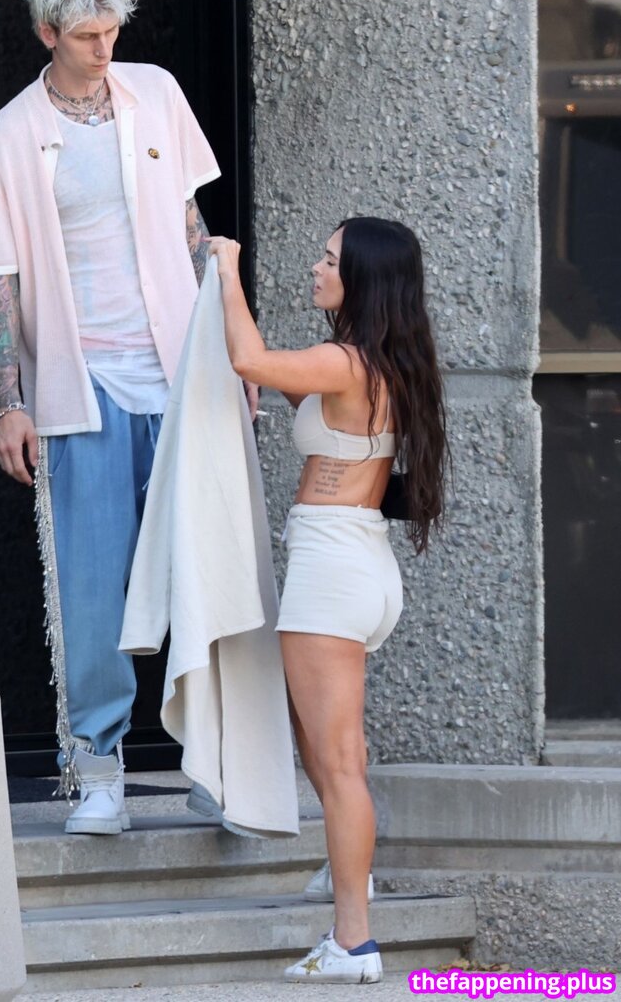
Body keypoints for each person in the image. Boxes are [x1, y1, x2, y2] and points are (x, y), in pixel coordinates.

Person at [0, 0, 229, 835]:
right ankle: (97, 768)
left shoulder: (157, 93)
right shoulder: (9, 134)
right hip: (84, 386)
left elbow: (194, 231)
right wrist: (10, 402)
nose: (104, 48)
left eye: (111, 31)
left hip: (180, 377)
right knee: (93, 590)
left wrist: (228, 357)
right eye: (85, 35)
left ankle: (214, 761)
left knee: (201, 576)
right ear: (47, 34)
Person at [209, 217, 448, 984]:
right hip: (359, 567)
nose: (315, 268)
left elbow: (247, 358)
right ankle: (351, 879)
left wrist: (225, 268)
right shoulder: (384, 364)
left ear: (363, 280)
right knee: (321, 745)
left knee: (338, 762)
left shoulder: (345, 362)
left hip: (331, 571)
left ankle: (353, 942)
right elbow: (294, 393)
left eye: (329, 260)